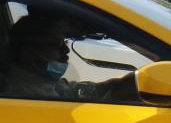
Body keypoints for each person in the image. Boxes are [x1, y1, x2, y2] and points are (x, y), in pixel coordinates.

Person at [5, 13, 134, 100]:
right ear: (30, 52)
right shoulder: (29, 93)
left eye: (64, 42)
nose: (66, 50)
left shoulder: (39, 81)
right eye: (57, 44)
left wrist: (119, 84)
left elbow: (74, 91)